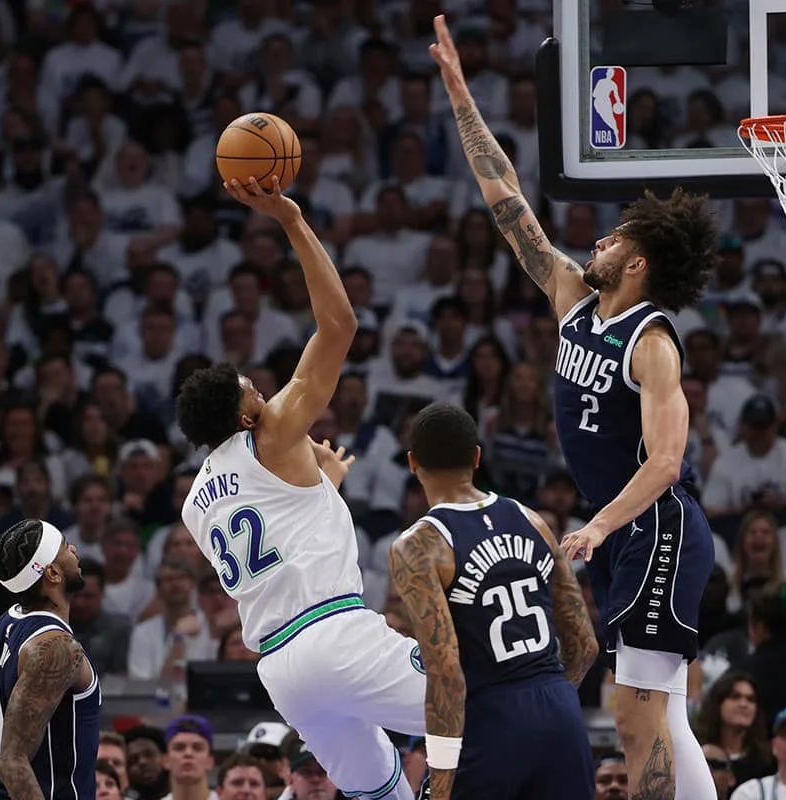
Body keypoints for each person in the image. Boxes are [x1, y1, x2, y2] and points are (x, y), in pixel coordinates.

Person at [430, 13, 719, 800]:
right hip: (627, 533)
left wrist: (597, 524)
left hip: (657, 526)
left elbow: (665, 463)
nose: (593, 245)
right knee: (665, 714)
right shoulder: (570, 299)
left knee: (633, 711)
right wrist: (461, 94)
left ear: (638, 262)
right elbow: (506, 200)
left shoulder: (652, 341)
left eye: (610, 239)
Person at [176, 177, 424, 800]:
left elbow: (279, 535)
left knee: (382, 792)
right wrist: (290, 219)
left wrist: (323, 486)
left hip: (282, 674)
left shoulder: (193, 503)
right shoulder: (274, 433)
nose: (262, 389)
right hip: (335, 634)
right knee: (495, 708)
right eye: (251, 389)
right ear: (242, 417)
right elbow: (339, 325)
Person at [389, 403, 598, 800]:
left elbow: (446, 670)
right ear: (477, 456)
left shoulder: (419, 545)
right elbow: (586, 643)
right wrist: (549, 701)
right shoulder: (533, 519)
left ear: (413, 463)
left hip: (491, 718)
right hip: (559, 709)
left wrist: (443, 775)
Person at [0, 519, 100, 800]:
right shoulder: (57, 647)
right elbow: (11, 763)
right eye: (63, 546)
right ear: (52, 573)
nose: (73, 548)